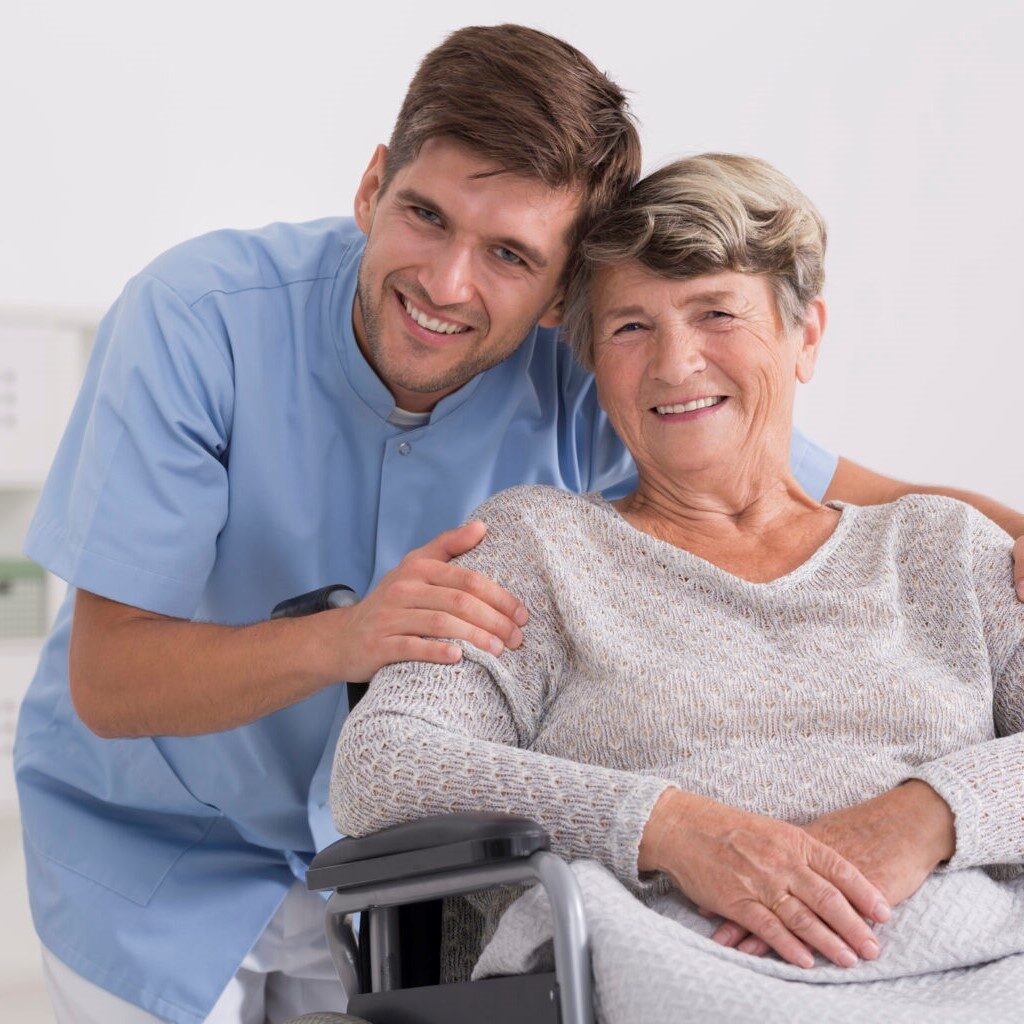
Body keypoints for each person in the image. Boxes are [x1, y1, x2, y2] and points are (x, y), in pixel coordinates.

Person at [13, 23, 1023, 1024]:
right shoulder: (199, 320)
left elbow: (794, 474)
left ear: (557, 292)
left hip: (393, 892)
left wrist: (1000, 542)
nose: (448, 283)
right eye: (424, 215)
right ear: (371, 188)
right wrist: (349, 637)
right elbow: (112, 682)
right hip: (156, 848)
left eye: (508, 252)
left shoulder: (607, 363)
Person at [332, 154, 1024, 1018]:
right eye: (630, 328)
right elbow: (382, 764)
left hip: (980, 960)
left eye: (716, 314)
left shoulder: (944, 548)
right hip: (670, 964)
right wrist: (669, 827)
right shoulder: (539, 549)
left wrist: (933, 815)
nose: (675, 363)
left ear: (805, 336)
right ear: (590, 360)